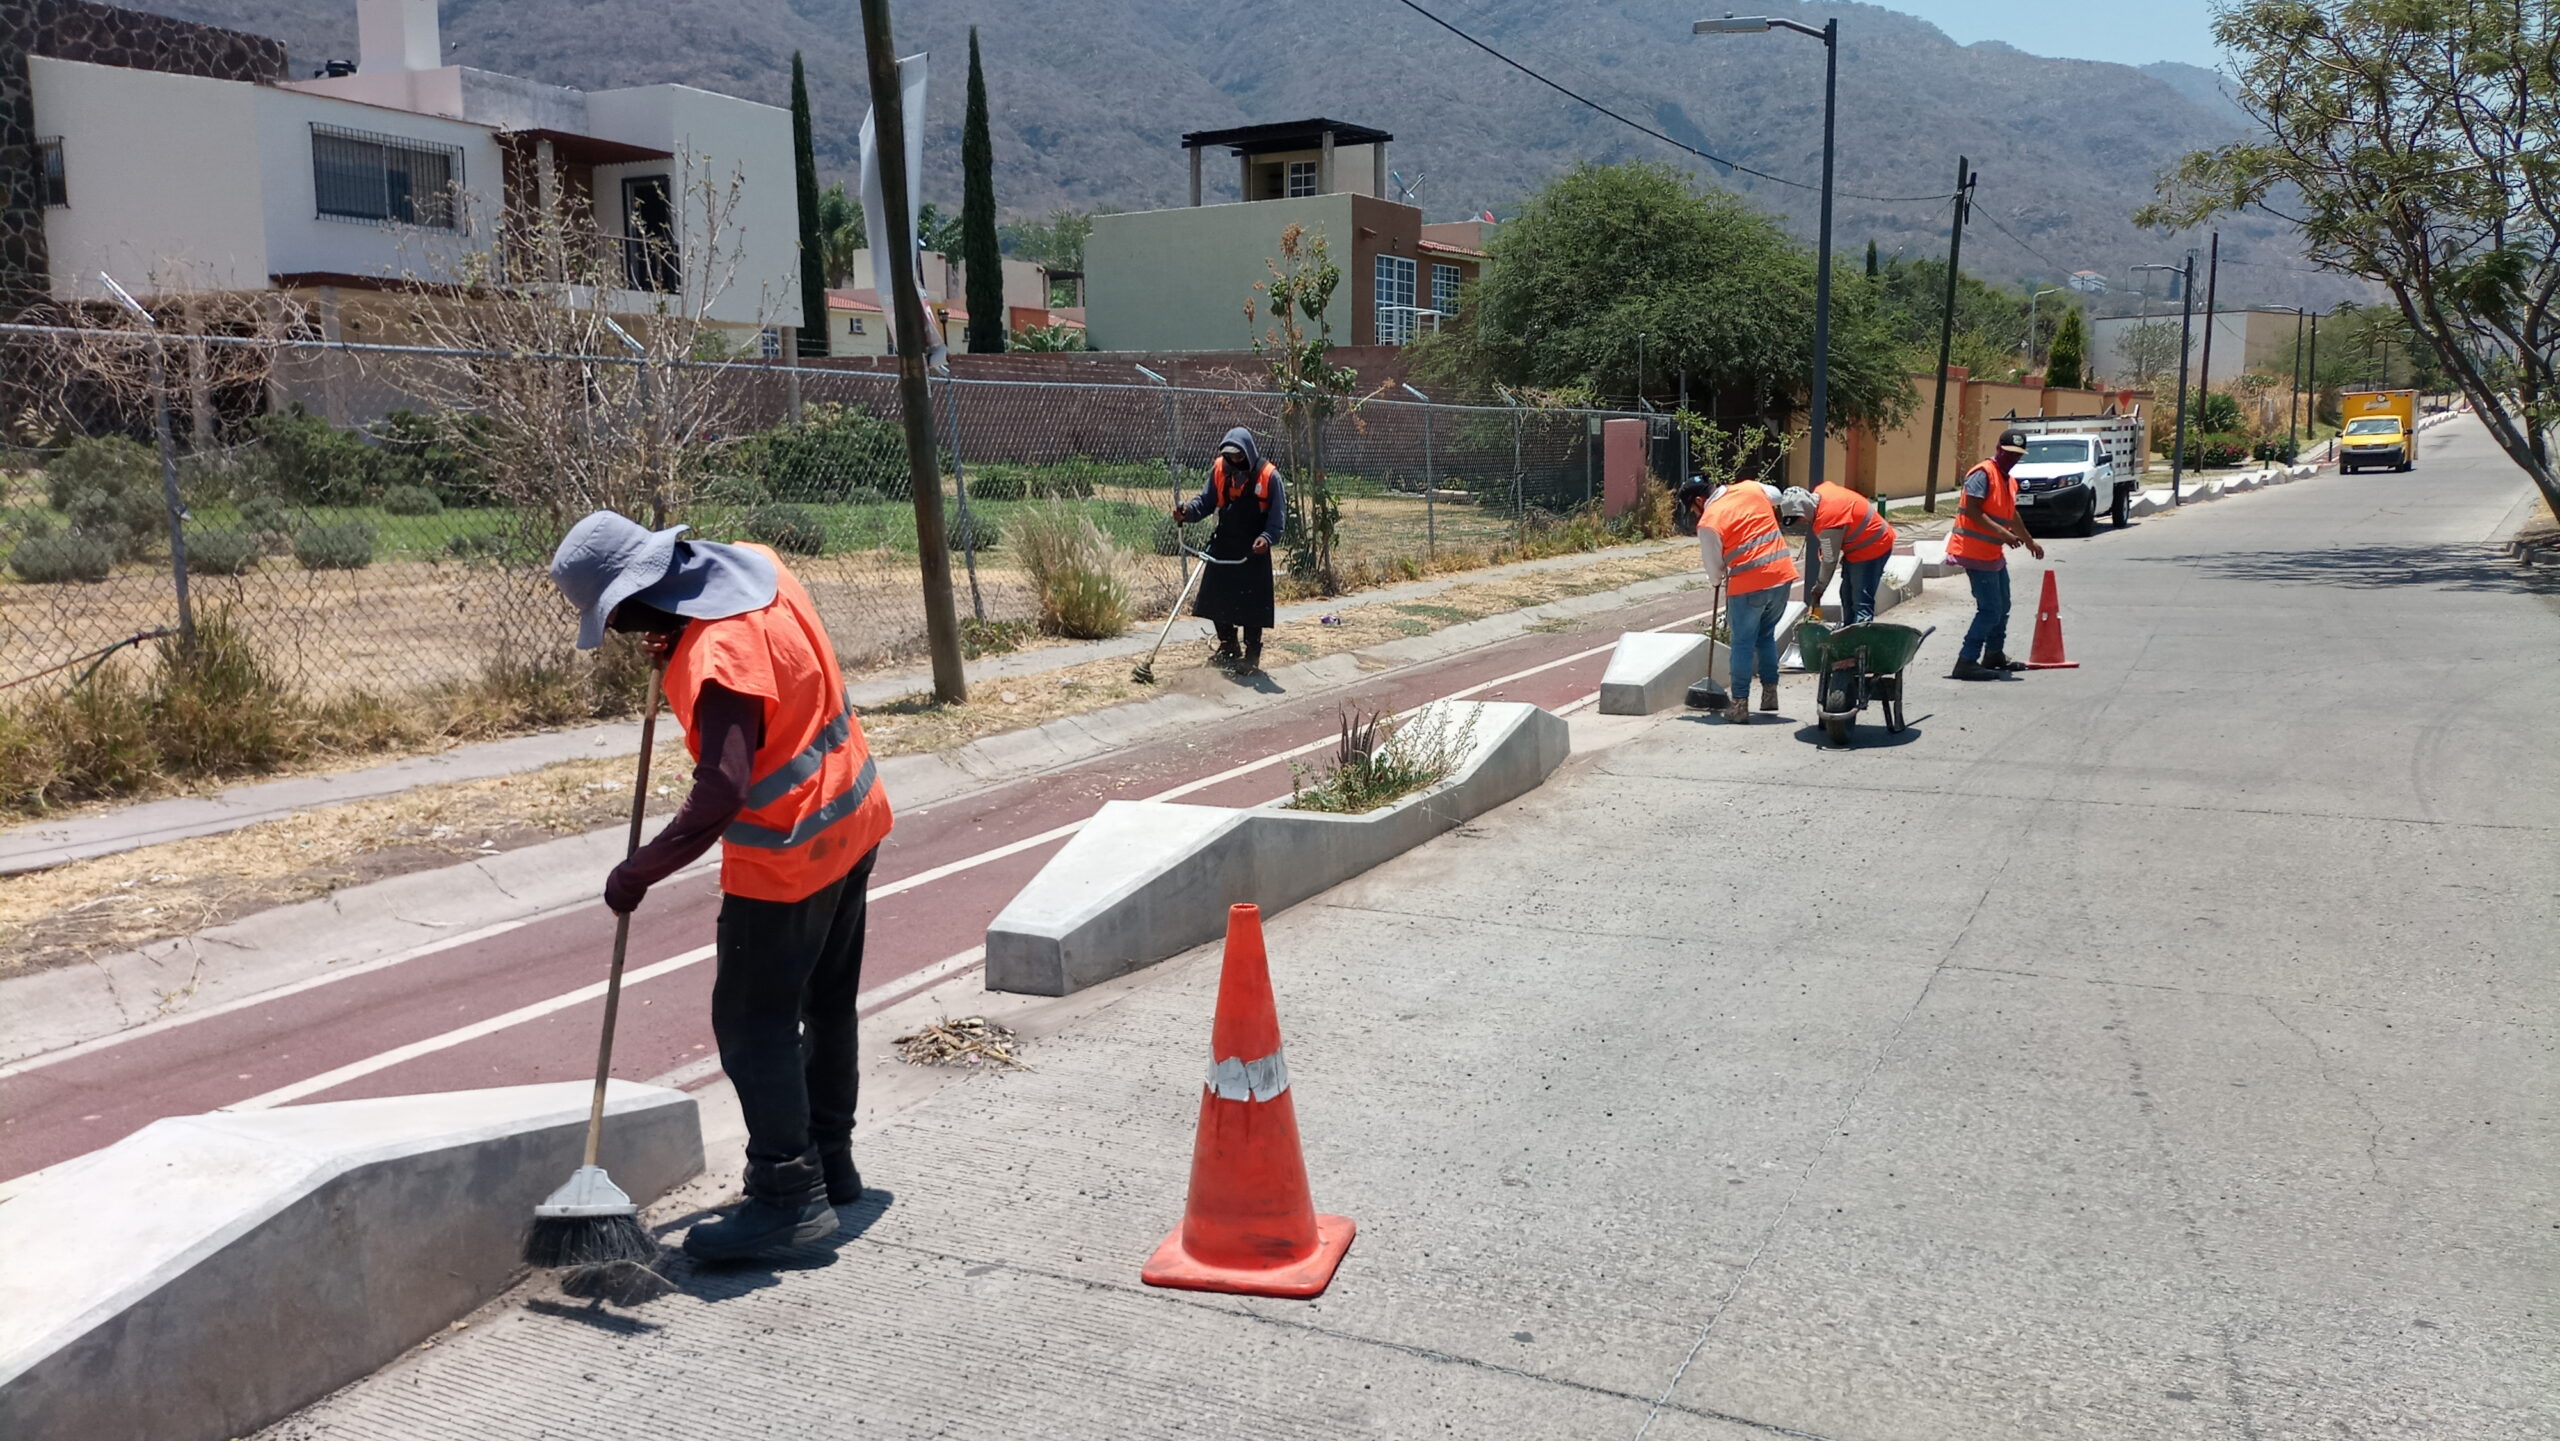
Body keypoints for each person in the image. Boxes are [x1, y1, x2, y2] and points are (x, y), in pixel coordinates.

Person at [550, 511, 894, 1261]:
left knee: (750, 1022)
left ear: (639, 592)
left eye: (613, 617)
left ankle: (785, 1198)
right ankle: (832, 1168)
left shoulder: (718, 654)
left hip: (789, 853)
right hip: (854, 817)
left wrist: (637, 869)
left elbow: (723, 791)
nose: (615, 634)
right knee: (826, 1002)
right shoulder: (754, 565)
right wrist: (672, 633)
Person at [1171, 427, 1285, 672]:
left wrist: (1267, 538)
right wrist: (1188, 512)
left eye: (1238, 456)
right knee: (1215, 596)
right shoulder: (1220, 470)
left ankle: (1252, 653)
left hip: (1253, 550)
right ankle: (1228, 645)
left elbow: (1277, 520)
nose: (1233, 461)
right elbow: (1205, 502)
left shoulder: (1269, 476)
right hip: (1224, 543)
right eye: (1230, 456)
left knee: (1252, 604)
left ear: (1248, 453)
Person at [1695, 479, 1808, 722]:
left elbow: (1714, 568)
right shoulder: (1750, 488)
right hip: (1781, 576)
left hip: (1748, 585)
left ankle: (1739, 706)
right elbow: (1777, 495)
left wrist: (1716, 580)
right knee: (1765, 636)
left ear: (1699, 501)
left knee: (1743, 643)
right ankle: (1769, 695)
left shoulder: (1709, 520)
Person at [1946, 429, 2047, 680]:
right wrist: (2004, 534)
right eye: (2009, 453)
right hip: (1974, 552)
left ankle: (1993, 654)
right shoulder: (1982, 473)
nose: (2013, 458)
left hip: (1992, 554)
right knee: (1990, 609)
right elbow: (1973, 511)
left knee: (2003, 606)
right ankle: (1966, 661)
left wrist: (2028, 541)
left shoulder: (2008, 480)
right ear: (1998, 448)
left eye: (2018, 455)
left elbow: (2012, 514)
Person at [1808, 479, 1899, 625]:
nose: (1801, 522)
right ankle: (1849, 632)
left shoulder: (1829, 519)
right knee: (1846, 595)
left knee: (1861, 600)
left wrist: (1819, 588)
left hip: (1873, 546)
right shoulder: (1820, 493)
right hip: (1858, 546)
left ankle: (1860, 639)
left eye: (1799, 518)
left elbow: (1829, 560)